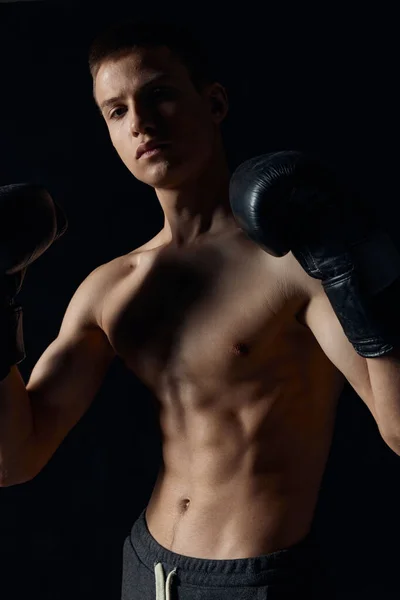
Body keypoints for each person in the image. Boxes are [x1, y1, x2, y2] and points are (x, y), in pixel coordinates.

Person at [1, 19, 400, 600]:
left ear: (212, 103)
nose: (139, 121)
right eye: (116, 111)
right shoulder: (110, 287)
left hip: (255, 581)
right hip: (147, 569)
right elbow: (14, 459)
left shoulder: (292, 261)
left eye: (158, 93)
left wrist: (356, 272)